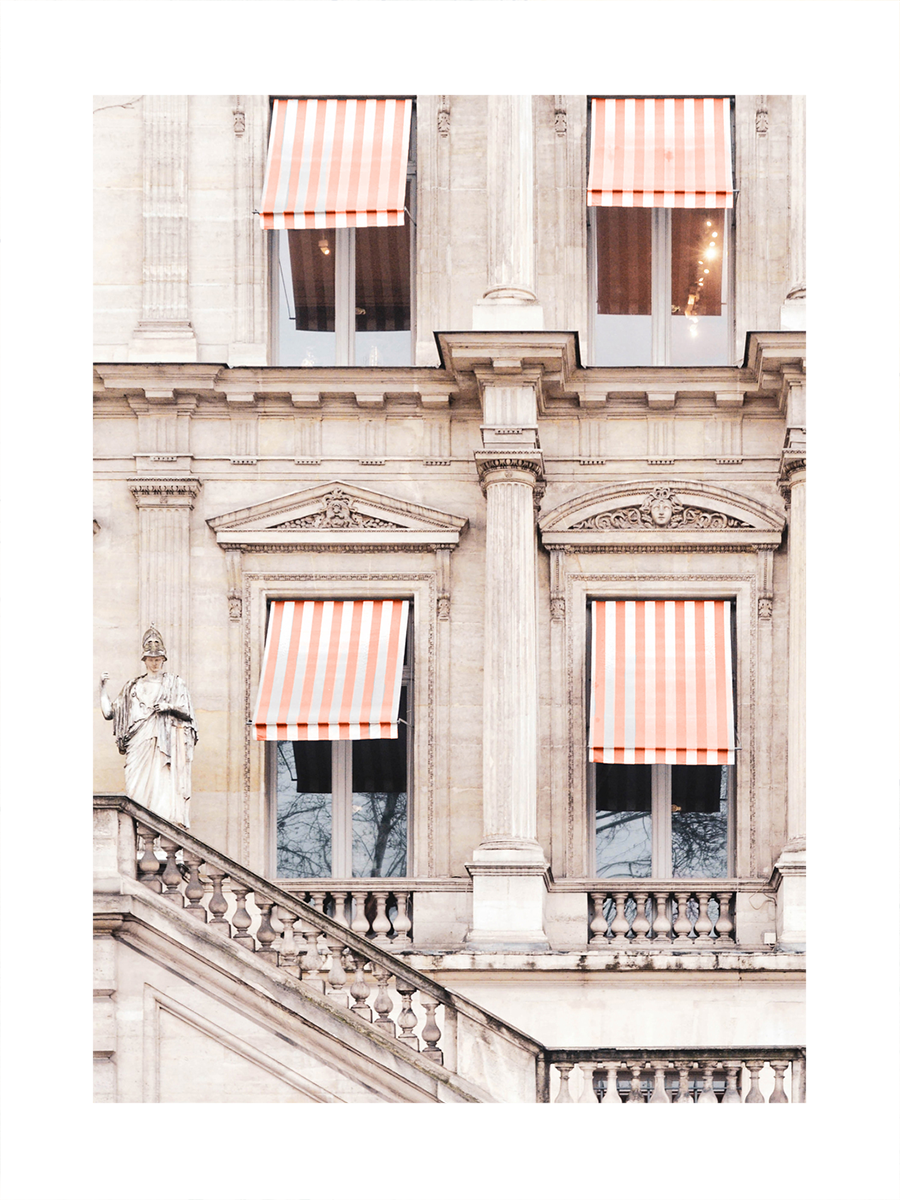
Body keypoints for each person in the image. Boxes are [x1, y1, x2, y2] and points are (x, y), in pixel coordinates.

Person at [100, 627, 198, 827]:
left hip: (162, 741)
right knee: (135, 788)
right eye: (151, 659)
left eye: (158, 659)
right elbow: (109, 713)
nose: (155, 663)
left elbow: (187, 711)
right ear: (145, 660)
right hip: (138, 742)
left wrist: (168, 707)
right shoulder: (132, 688)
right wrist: (101, 687)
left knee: (162, 784)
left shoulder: (174, 684)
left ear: (163, 659)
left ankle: (162, 831)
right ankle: (137, 834)